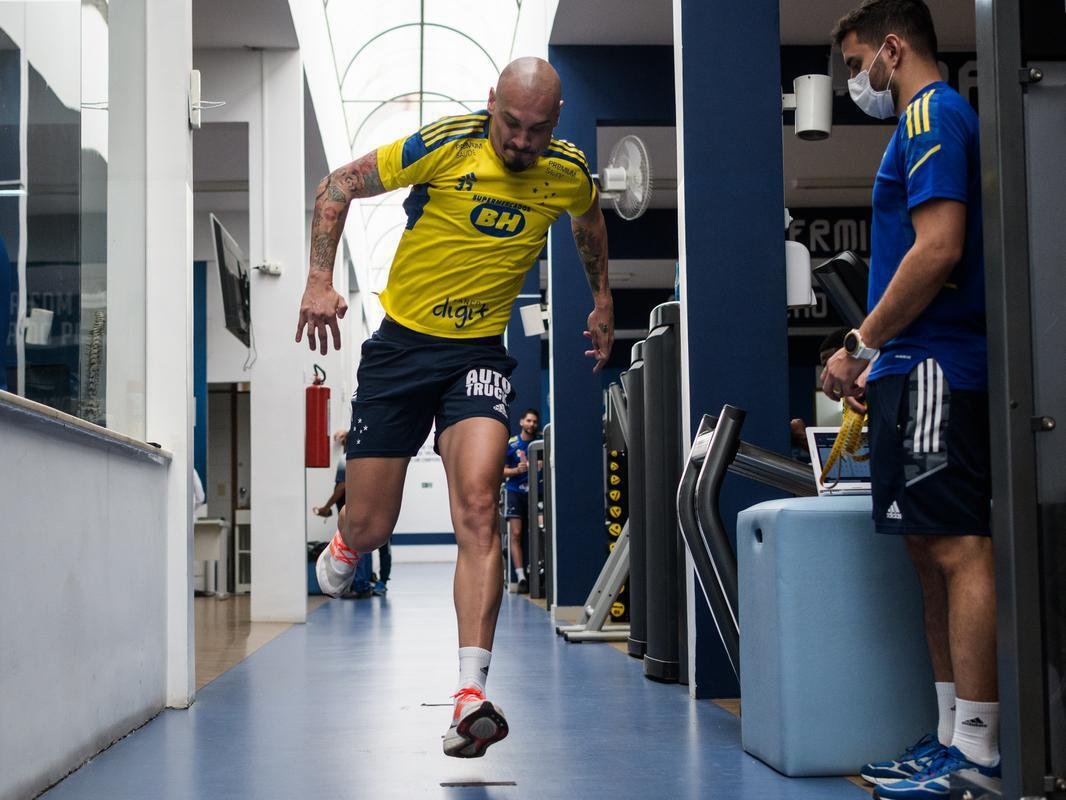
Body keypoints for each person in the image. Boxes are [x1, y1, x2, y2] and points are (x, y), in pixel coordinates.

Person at [295, 56, 612, 758]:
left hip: (478, 356)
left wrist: (602, 298)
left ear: (556, 121)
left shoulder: (565, 171)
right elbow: (338, 184)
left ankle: (471, 694)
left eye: (536, 129)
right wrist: (318, 278)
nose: (521, 141)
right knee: (372, 525)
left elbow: (588, 219)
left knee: (477, 504)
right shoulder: (445, 145)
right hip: (401, 350)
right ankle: (346, 539)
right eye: (511, 123)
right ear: (490, 101)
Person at [824, 3, 997, 797]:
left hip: (937, 366)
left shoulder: (930, 114)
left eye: (856, 63)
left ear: (891, 49)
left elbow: (939, 248)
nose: (855, 81)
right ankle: (948, 737)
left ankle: (980, 753)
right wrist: (877, 357)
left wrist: (861, 343)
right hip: (910, 365)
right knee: (925, 552)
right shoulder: (913, 126)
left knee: (958, 549)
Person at [312, 429, 390, 597]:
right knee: (366, 547)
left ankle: (361, 585)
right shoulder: (366, 461)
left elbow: (341, 487)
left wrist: (326, 507)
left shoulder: (346, 459)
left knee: (360, 543)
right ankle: (364, 584)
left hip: (356, 513)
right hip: (369, 511)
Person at [502, 408, 540, 593]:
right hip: (515, 493)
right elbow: (501, 471)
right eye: (529, 420)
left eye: (534, 421)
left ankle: (538, 573)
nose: (531, 424)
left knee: (540, 532)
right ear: (522, 422)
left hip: (537, 494)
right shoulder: (511, 444)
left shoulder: (542, 443)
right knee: (516, 534)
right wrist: (517, 470)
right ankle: (521, 577)